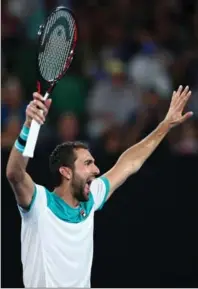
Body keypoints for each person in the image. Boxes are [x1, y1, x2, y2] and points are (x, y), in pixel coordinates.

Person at [6, 85, 193, 288]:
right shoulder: (39, 203)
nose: (96, 170)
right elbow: (15, 174)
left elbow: (129, 163)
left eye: (94, 162)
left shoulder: (91, 197)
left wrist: (165, 125)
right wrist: (30, 127)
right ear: (66, 172)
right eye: (87, 164)